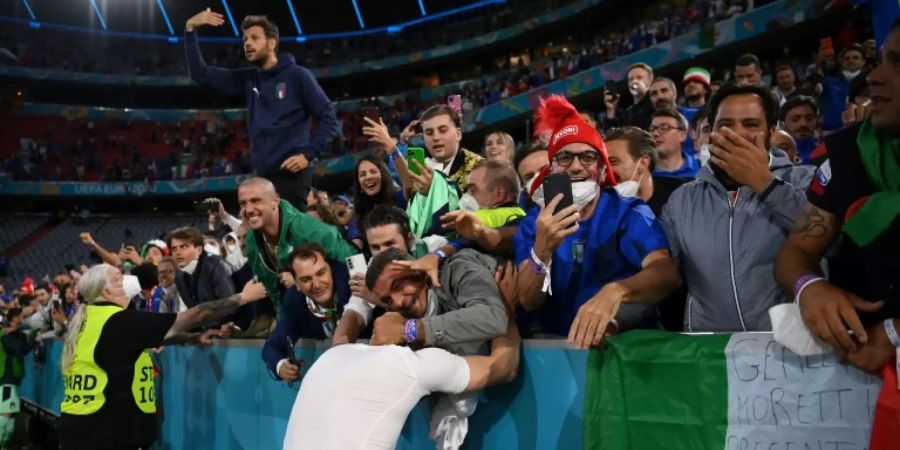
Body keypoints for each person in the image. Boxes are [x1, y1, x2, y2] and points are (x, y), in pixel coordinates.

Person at [282, 261, 519, 450]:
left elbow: (344, 331)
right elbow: (503, 367)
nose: (396, 302)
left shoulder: (332, 357)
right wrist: (504, 308)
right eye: (387, 300)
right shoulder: (414, 365)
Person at [774, 20, 900, 372]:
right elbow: (796, 251)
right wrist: (809, 285)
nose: (875, 77)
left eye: (898, 64)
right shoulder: (847, 153)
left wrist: (894, 332)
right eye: (883, 60)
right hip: (865, 384)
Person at [516, 95, 681, 348]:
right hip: (561, 350)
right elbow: (529, 300)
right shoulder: (534, 222)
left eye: (587, 157)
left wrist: (616, 291)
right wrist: (542, 251)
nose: (575, 167)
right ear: (551, 168)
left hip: (625, 347)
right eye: (564, 158)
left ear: (604, 170)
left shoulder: (626, 210)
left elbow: (666, 273)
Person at [58, 264, 267, 450]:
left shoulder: (87, 320)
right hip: (109, 432)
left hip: (78, 426)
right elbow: (198, 314)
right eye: (118, 277)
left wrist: (192, 338)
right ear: (107, 291)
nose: (127, 279)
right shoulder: (120, 321)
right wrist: (243, 297)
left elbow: (132, 343)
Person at [660, 83, 815, 332]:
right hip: (712, 355)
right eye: (726, 125)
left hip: (793, 353)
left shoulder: (805, 180)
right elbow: (661, 271)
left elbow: (832, 242)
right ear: (711, 132)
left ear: (771, 132)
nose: (737, 134)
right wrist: (616, 316)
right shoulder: (682, 200)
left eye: (751, 124)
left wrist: (763, 183)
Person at [183, 10, 338, 210]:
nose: (247, 43)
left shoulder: (298, 76)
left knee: (289, 238)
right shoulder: (249, 78)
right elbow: (200, 74)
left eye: (255, 38)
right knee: (268, 239)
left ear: (272, 43)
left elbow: (328, 117)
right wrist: (190, 29)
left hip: (292, 176)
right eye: (245, 39)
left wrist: (308, 154)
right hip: (263, 178)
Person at [239, 177, 357, 318]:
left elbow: (354, 265)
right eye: (243, 204)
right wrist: (285, 321)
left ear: (275, 200)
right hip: (303, 316)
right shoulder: (252, 239)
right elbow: (274, 294)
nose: (249, 209)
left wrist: (350, 315)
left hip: (346, 307)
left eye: (256, 201)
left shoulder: (309, 230)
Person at [264, 244, 354, 382]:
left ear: (331, 270)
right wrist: (281, 366)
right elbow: (272, 347)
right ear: (297, 284)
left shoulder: (352, 288)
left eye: (321, 273)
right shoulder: (296, 303)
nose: (317, 285)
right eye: (306, 279)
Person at [331, 206, 415, 345]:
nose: (383, 253)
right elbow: (357, 307)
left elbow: (428, 313)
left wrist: (380, 299)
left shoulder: (433, 252)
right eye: (375, 247)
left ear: (410, 240)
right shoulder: (375, 264)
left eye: (389, 244)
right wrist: (340, 344)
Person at [605, 126, 686, 215]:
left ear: (643, 163)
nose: (604, 172)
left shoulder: (682, 195)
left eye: (613, 162)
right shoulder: (601, 204)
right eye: (602, 165)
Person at [167, 226, 235, 310]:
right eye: (174, 249)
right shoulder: (179, 276)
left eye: (183, 247)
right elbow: (192, 309)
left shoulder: (214, 265)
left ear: (198, 250)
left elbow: (229, 305)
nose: (177, 252)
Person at [347, 155, 407, 248]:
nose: (368, 177)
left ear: (383, 175)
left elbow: (409, 185)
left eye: (373, 171)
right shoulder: (358, 216)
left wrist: (393, 150)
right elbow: (356, 245)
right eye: (362, 174)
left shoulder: (400, 198)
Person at [0, 308, 33, 448]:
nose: (23, 319)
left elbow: (29, 328)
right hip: (7, 380)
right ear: (15, 318)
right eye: (21, 317)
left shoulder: (13, 333)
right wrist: (35, 341)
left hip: (13, 380)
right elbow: (22, 350)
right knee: (6, 414)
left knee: (11, 416)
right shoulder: (6, 335)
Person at [820, 44, 867, 132]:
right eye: (847, 58)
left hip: (864, 129)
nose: (851, 60)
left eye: (855, 57)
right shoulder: (828, 82)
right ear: (841, 62)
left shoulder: (871, 82)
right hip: (833, 131)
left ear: (863, 61)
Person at [601, 63, 655, 131]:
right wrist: (611, 110)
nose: (634, 81)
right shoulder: (627, 114)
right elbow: (611, 135)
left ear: (650, 81)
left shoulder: (656, 104)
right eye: (631, 79)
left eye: (639, 78)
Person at [650, 109, 700, 179]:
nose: (655, 133)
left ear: (682, 135)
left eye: (664, 128)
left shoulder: (701, 168)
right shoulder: (641, 172)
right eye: (652, 129)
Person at [780, 96, 820, 164]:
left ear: (816, 121)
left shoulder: (827, 152)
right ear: (782, 124)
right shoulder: (774, 157)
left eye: (809, 118)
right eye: (795, 119)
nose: (803, 124)